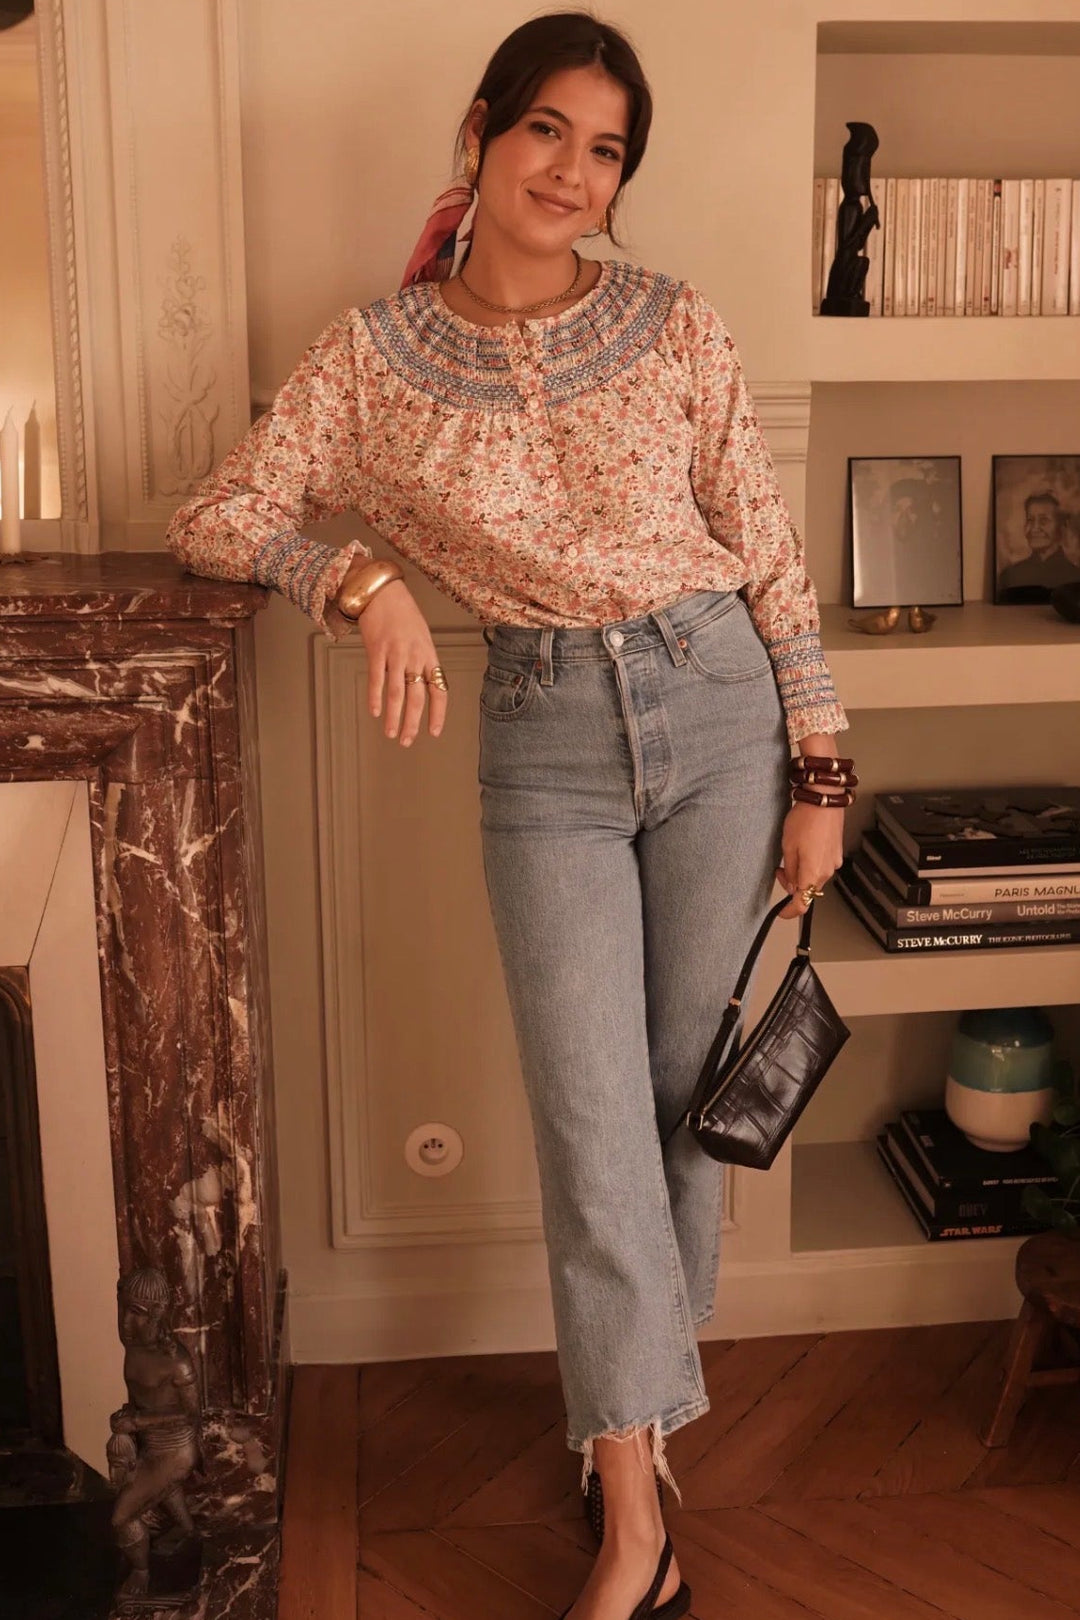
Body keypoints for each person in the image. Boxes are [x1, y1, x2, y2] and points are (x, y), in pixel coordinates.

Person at [164, 14, 851, 1617]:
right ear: (481, 134)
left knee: (688, 1101)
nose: (573, 171)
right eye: (549, 130)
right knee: (590, 1121)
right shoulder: (370, 359)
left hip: (720, 709)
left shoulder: (677, 325)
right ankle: (634, 1508)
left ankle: (633, 1471)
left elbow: (769, 551)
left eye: (606, 149)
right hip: (540, 736)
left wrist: (819, 768)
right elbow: (222, 516)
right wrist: (360, 582)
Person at [997, 490, 1080, 602]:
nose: (1034, 528)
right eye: (1030, 520)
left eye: (1043, 520)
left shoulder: (1075, 578)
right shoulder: (1010, 576)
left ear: (1062, 526)